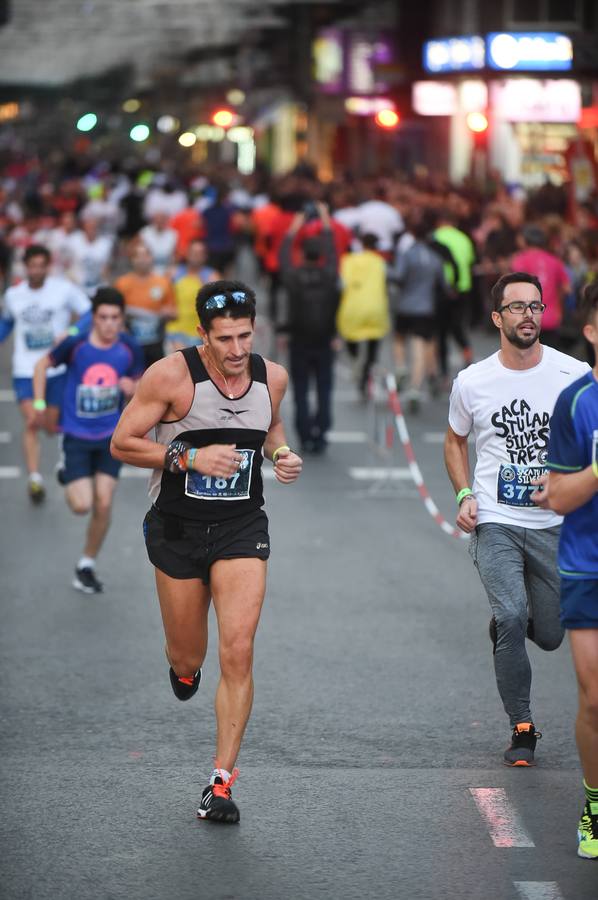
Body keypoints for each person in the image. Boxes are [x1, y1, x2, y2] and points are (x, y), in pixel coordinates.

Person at [110, 279, 302, 823]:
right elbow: (122, 442)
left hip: (242, 525)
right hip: (177, 528)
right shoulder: (171, 377)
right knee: (188, 655)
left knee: (238, 650)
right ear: (202, 335)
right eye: (225, 339)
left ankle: (220, 782)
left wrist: (282, 453)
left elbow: (272, 427)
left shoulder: (273, 377)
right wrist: (189, 460)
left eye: (245, 335)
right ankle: (183, 669)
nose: (238, 350)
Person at [444, 271, 590, 766]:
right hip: (496, 520)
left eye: (535, 306)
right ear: (496, 317)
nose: (528, 315)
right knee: (510, 615)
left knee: (548, 633)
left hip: (554, 525)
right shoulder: (473, 380)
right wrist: (465, 492)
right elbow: (454, 439)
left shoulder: (575, 375)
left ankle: (513, 626)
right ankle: (522, 725)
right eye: (517, 307)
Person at [32, 287, 142, 593]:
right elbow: (42, 365)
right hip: (77, 436)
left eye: (115, 318)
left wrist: (133, 385)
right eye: (103, 317)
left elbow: (143, 380)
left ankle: (86, 564)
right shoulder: (76, 344)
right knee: (82, 506)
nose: (109, 324)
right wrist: (40, 405)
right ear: (93, 318)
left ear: (122, 320)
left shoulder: (130, 347)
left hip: (111, 437)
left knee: (104, 503)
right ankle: (66, 471)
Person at [544, 281, 598, 859]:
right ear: (591, 333)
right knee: (594, 698)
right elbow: (557, 496)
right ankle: (595, 801)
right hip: (589, 565)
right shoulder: (578, 402)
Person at [0, 244, 90, 503]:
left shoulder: (63, 289)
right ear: (25, 266)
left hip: (56, 368)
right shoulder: (13, 295)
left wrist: (71, 333)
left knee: (52, 425)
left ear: (47, 266)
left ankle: (62, 460)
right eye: (32, 265)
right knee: (32, 420)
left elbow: (87, 313)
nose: (36, 270)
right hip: (25, 370)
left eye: (41, 265)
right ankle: (35, 478)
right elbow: (6, 322)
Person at [279, 204, 340, 453]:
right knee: (324, 388)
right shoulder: (329, 275)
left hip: (299, 338)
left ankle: (304, 433)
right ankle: (322, 431)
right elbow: (334, 252)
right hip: (325, 338)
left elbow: (283, 253)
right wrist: (326, 219)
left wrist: (295, 226)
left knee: (301, 389)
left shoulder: (293, 277)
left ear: (303, 254)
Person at [389, 215, 446, 412]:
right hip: (425, 308)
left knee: (398, 338)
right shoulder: (435, 258)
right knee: (419, 347)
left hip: (406, 306)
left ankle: (401, 367)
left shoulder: (408, 254)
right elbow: (443, 284)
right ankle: (415, 388)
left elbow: (398, 275)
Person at [337, 233, 389, 397]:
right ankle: (366, 373)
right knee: (374, 343)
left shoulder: (348, 260)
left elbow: (341, 283)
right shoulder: (381, 263)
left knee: (350, 337)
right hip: (376, 306)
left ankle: (355, 360)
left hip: (353, 306)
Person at [114, 242, 176, 369]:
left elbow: (174, 312)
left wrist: (167, 313)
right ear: (132, 260)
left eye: (145, 255)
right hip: (130, 342)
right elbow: (115, 312)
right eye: (137, 256)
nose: (142, 259)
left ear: (151, 258)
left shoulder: (163, 282)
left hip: (156, 342)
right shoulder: (122, 283)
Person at [512, 225, 570, 349]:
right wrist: (557, 304)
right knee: (550, 357)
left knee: (527, 360)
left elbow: (515, 288)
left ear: (525, 240)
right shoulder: (555, 261)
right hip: (551, 317)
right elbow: (567, 288)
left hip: (526, 318)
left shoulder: (520, 260)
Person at [165, 239, 219, 352]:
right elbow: (163, 298)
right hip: (176, 330)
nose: (196, 256)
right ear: (187, 254)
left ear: (205, 256)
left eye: (200, 253)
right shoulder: (173, 274)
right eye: (193, 252)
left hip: (200, 332)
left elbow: (218, 305)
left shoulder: (212, 277)